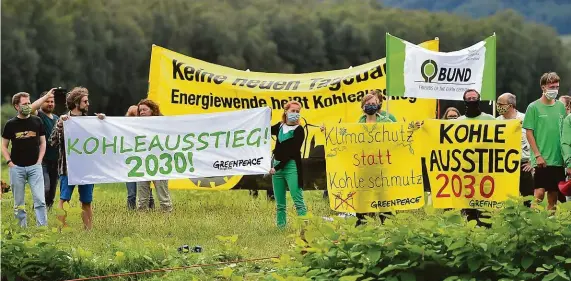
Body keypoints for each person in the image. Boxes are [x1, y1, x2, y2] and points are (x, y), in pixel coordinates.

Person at [50, 87, 105, 229]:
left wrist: (103, 123)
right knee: (64, 199)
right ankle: (60, 229)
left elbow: (102, 140)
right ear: (76, 103)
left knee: (87, 201)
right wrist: (60, 126)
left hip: (86, 169)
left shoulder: (91, 121)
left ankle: (88, 230)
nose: (88, 104)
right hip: (67, 168)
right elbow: (53, 141)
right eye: (85, 101)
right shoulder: (64, 120)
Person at [1, 92, 47, 227]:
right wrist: (10, 162)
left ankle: (42, 229)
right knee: (19, 203)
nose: (28, 106)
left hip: (35, 167)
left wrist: (39, 160)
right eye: (24, 104)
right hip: (17, 168)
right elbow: (4, 146)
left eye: (29, 103)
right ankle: (22, 231)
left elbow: (43, 143)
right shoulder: (10, 124)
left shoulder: (37, 121)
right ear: (16, 106)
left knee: (40, 200)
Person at [523, 72, 567, 211]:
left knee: (553, 196)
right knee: (539, 193)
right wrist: (537, 155)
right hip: (541, 158)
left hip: (558, 158)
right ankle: (531, 223)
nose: (554, 90)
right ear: (543, 87)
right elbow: (529, 132)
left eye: (557, 87)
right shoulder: (533, 107)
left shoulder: (561, 107)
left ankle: (549, 228)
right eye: (551, 86)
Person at [269, 100, 308, 228]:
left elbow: (292, 152)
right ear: (286, 111)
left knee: (298, 200)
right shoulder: (280, 126)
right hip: (276, 166)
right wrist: (265, 116)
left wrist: (277, 167)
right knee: (280, 203)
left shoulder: (299, 130)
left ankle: (305, 228)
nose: (295, 113)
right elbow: (265, 130)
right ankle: (281, 227)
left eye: (298, 112)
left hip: (291, 166)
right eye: (293, 111)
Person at [496, 93, 534, 207]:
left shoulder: (525, 119)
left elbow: (535, 139)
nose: (498, 106)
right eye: (497, 104)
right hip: (504, 166)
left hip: (523, 165)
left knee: (528, 198)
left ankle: (529, 221)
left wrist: (532, 161)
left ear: (511, 105)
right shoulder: (496, 121)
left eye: (500, 104)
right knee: (506, 199)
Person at [136, 99, 173, 212]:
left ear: (152, 110)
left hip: (159, 163)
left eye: (144, 109)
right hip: (142, 163)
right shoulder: (134, 125)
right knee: (142, 198)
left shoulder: (163, 124)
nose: (142, 112)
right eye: (140, 110)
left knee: (163, 195)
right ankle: (142, 220)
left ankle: (167, 217)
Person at [30, 89, 59, 209]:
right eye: (47, 101)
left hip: (56, 159)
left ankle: (47, 212)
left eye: (52, 101)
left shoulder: (57, 118)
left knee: (52, 191)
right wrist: (46, 95)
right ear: (42, 102)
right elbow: (30, 108)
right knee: (44, 187)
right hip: (42, 159)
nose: (50, 104)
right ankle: (37, 208)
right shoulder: (38, 116)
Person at [124, 105, 155, 210]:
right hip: (131, 164)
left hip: (143, 163)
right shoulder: (124, 130)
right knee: (132, 193)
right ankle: (131, 211)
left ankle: (151, 208)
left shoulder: (145, 129)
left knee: (146, 190)